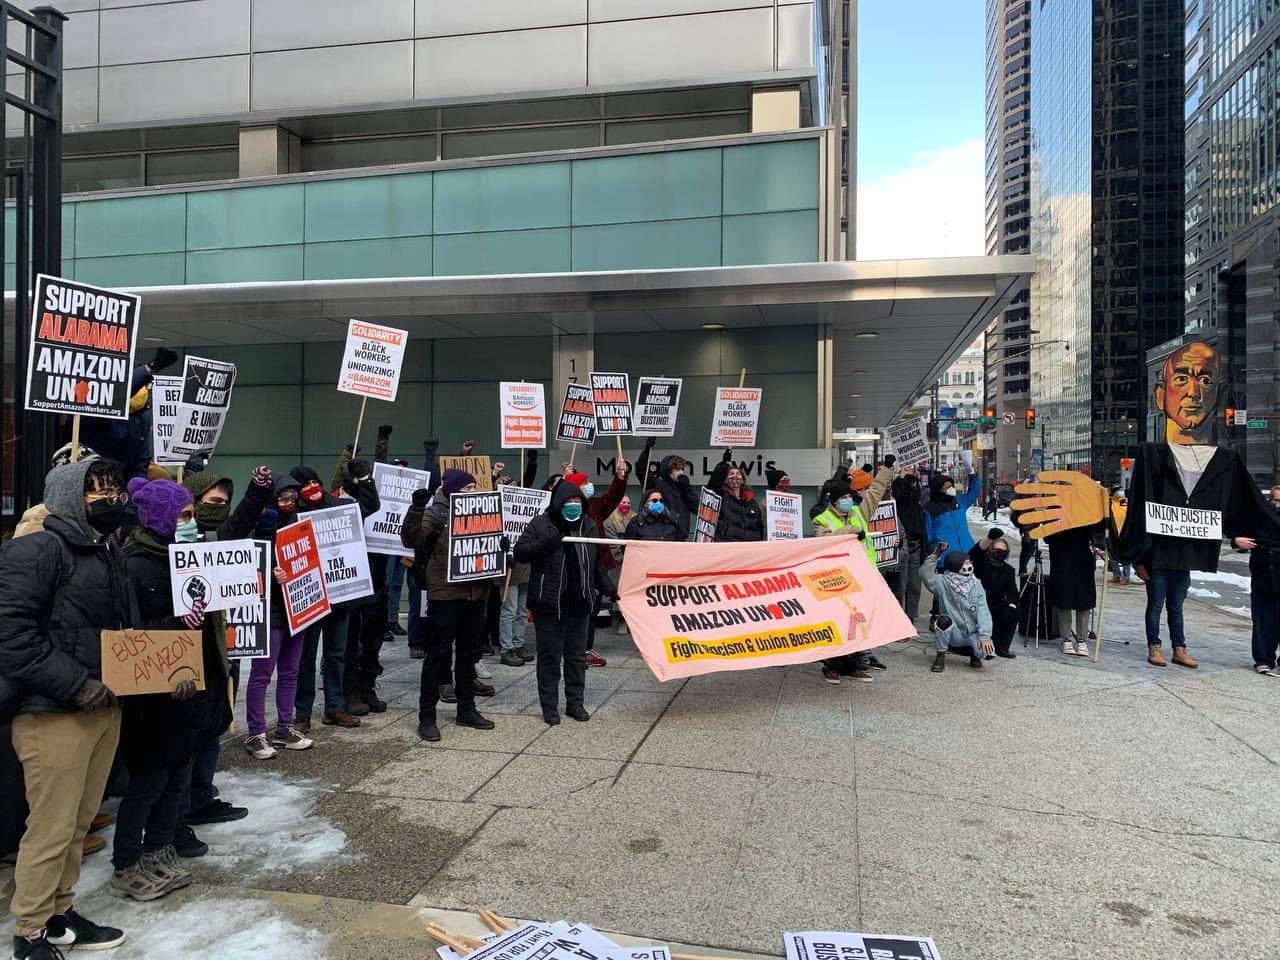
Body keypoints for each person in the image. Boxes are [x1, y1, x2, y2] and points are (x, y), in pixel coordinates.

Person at [0, 459, 133, 958]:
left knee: (78, 822)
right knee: (51, 827)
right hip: (51, 714)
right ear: (68, 496)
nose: (111, 499)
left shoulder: (107, 552)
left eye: (115, 489)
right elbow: (11, 637)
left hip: (103, 708)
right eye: (96, 491)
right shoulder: (32, 551)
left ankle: (59, 909)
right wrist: (76, 684)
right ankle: (29, 929)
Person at [1110, 341, 1280, 668]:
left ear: (1216, 394)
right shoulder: (1153, 457)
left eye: (1205, 382)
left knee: (1177, 604)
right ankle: (1155, 646)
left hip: (1184, 556)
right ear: (1161, 395)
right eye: (1182, 379)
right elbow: (1137, 514)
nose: (1194, 393)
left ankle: (1179, 647)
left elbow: (1240, 509)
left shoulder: (1223, 463)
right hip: (1159, 555)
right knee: (1157, 604)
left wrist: (1237, 537)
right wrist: (1135, 554)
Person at [111, 478, 232, 901]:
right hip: (153, 698)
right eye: (183, 515)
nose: (190, 521)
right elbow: (130, 634)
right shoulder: (134, 564)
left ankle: (159, 847)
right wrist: (177, 626)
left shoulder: (186, 557)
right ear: (161, 517)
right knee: (149, 781)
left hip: (190, 688)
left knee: (178, 776)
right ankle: (127, 863)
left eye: (191, 514)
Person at [173, 464, 273, 856]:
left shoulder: (219, 536)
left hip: (219, 649)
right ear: (193, 502)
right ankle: (177, 814)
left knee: (214, 726)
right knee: (187, 738)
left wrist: (257, 490)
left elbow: (244, 519)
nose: (219, 508)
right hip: (183, 656)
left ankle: (202, 797)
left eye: (224, 503)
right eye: (213, 501)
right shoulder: (171, 541)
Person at [401, 468, 496, 742]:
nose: (472, 492)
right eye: (467, 488)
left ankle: (466, 709)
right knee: (437, 655)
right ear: (454, 489)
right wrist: (417, 509)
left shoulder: (481, 513)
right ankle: (427, 718)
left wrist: (499, 549)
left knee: (468, 654)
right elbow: (412, 539)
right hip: (445, 595)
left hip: (475, 594)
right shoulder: (437, 513)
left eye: (473, 488)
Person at [514, 481, 616, 726]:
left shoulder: (588, 525)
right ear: (559, 503)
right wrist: (549, 542)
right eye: (569, 502)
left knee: (576, 656)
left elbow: (596, 565)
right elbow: (521, 552)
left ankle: (575, 703)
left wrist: (611, 591)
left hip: (579, 603)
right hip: (549, 603)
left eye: (578, 502)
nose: (574, 506)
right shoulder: (541, 524)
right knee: (549, 657)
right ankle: (549, 706)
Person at [242, 475, 315, 760]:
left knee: (290, 671)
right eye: (282, 499)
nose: (288, 504)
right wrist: (271, 575)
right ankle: (255, 733)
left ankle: (285, 727)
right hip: (269, 611)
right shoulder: (255, 529)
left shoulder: (299, 525)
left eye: (292, 499)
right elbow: (246, 570)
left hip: (296, 608)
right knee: (262, 673)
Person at [811, 457, 895, 682]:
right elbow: (823, 538)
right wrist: (850, 531)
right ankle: (832, 665)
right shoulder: (822, 519)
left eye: (850, 496)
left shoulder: (859, 512)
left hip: (863, 576)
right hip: (836, 579)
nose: (849, 499)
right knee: (837, 621)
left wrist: (886, 469)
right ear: (835, 500)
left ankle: (853, 664)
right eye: (844, 497)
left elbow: (875, 493)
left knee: (858, 621)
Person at [80, 348, 178, 481]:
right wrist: (149, 369)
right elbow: (117, 396)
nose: (142, 390)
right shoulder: (98, 409)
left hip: (124, 484)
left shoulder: (142, 415)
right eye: (139, 385)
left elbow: (140, 461)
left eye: (145, 385)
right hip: (94, 481)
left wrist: (136, 491)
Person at [921, 547, 995, 673]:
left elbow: (983, 611)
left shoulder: (976, 584)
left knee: (987, 653)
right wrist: (935, 555)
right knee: (943, 621)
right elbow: (925, 574)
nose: (969, 566)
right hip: (954, 631)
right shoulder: (942, 582)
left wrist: (985, 635)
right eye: (965, 564)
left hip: (972, 631)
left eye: (969, 563)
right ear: (955, 566)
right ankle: (940, 656)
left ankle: (975, 655)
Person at [1047, 525, 1101, 657]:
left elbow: (1097, 535)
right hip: (1063, 559)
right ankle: (1066, 638)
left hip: (1083, 560)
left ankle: (1082, 638)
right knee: (1065, 601)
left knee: (1084, 602)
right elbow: (1048, 537)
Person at [1245, 486, 1280, 674]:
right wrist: (1238, 541)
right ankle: (1263, 659)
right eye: (1275, 500)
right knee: (1263, 622)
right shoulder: (1259, 521)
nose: (1277, 504)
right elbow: (1243, 540)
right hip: (1263, 577)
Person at [969, 531, 1018, 659]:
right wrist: (989, 538)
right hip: (977, 602)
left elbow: (1013, 591)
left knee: (1014, 611)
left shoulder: (1009, 570)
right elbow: (975, 553)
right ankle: (982, 647)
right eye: (997, 550)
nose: (1000, 553)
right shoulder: (982, 563)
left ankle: (1002, 648)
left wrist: (1012, 605)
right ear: (991, 550)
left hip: (995, 603)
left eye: (1004, 551)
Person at [635, 437, 698, 538]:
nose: (680, 471)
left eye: (681, 469)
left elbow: (698, 509)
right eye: (676, 469)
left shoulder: (684, 488)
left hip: (682, 536)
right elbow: (642, 471)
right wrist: (647, 449)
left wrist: (687, 488)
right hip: (664, 536)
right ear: (668, 470)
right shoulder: (658, 484)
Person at [924, 457, 983, 555]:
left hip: (967, 554)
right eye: (947, 487)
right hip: (945, 558)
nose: (951, 489)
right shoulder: (929, 509)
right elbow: (927, 536)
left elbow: (974, 492)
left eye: (952, 486)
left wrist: (973, 474)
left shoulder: (959, 501)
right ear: (938, 489)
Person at [890, 473, 927, 623]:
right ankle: (899, 617)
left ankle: (910, 616)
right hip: (901, 547)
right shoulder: (896, 505)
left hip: (916, 546)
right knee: (900, 585)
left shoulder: (916, 504)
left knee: (914, 584)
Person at [708, 451, 764, 542]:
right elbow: (714, 483)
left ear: (743, 480)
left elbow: (759, 527)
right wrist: (724, 464)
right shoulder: (721, 496)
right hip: (726, 544)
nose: (735, 476)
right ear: (725, 480)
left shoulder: (753, 503)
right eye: (731, 474)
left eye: (738, 474)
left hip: (748, 548)